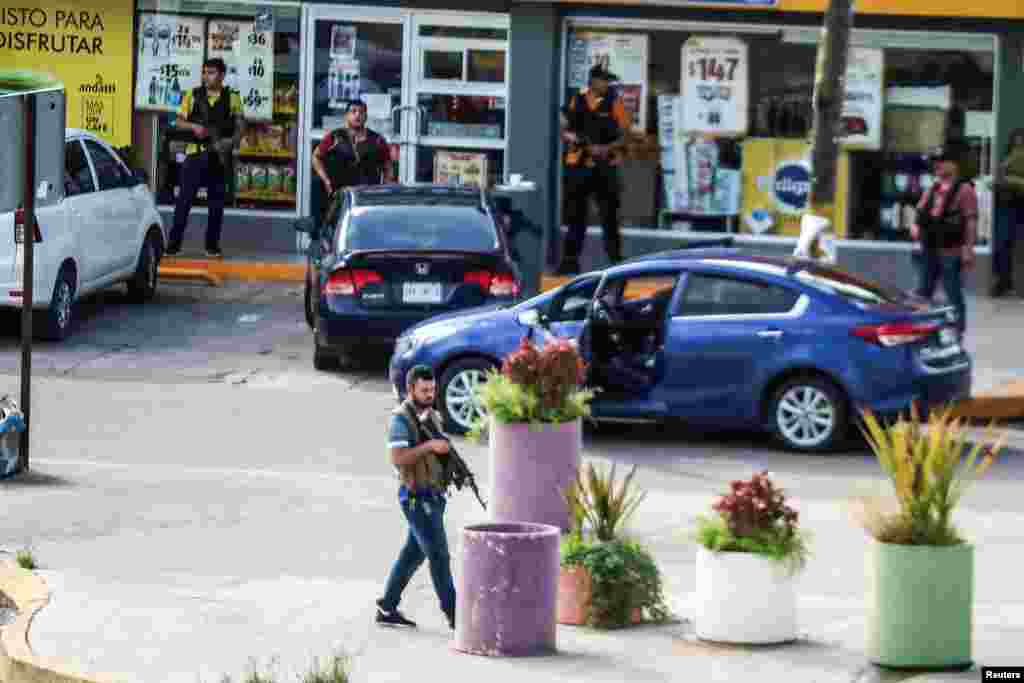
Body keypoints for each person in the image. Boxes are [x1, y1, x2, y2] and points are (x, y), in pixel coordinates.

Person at [376, 365, 456, 630]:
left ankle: (387, 606)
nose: (430, 394)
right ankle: (455, 614)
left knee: (414, 554)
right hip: (416, 499)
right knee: (439, 555)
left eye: (432, 389)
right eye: (424, 390)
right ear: (410, 389)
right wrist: (431, 446)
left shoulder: (432, 414)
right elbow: (398, 459)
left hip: (434, 496)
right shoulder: (400, 420)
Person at [558, 65, 632, 275]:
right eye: (604, 81)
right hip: (579, 165)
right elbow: (564, 126)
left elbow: (626, 133)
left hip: (605, 166)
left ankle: (616, 261)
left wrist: (606, 148)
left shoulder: (614, 102)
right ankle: (570, 262)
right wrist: (577, 140)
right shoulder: (577, 99)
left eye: (609, 81)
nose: (607, 85)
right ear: (593, 81)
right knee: (575, 216)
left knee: (609, 216)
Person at [167, 58, 244, 258]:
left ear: (221, 75)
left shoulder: (232, 97)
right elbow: (177, 121)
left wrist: (232, 142)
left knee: (216, 204)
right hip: (195, 153)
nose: (206, 76)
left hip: (219, 155)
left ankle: (212, 246)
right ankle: (173, 246)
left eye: (211, 72)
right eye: (205, 72)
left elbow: (240, 125)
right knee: (184, 201)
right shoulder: (193, 95)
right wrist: (194, 127)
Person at [910, 144, 978, 334]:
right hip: (929, 249)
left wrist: (968, 249)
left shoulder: (965, 190)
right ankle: (921, 329)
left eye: (942, 162)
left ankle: (957, 332)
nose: (937, 166)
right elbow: (920, 212)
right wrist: (916, 226)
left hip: (951, 250)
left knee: (953, 294)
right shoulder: (933, 188)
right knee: (923, 293)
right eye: (936, 163)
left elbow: (971, 221)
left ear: (953, 165)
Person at [312, 100, 392, 199]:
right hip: (340, 195)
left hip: (368, 196)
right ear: (346, 116)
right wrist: (326, 180)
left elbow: (388, 167)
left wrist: (383, 189)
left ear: (366, 117)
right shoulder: (335, 136)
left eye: (361, 112)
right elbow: (316, 157)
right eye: (353, 111)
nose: (357, 115)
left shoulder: (377, 140)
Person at [991, 128, 1024, 297]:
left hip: (1020, 205)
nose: (1018, 145)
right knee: (1002, 244)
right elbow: (997, 179)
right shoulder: (1005, 159)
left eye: (1021, 141)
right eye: (1015, 142)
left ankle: (1015, 283)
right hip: (1006, 205)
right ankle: (1003, 281)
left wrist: (1015, 181)